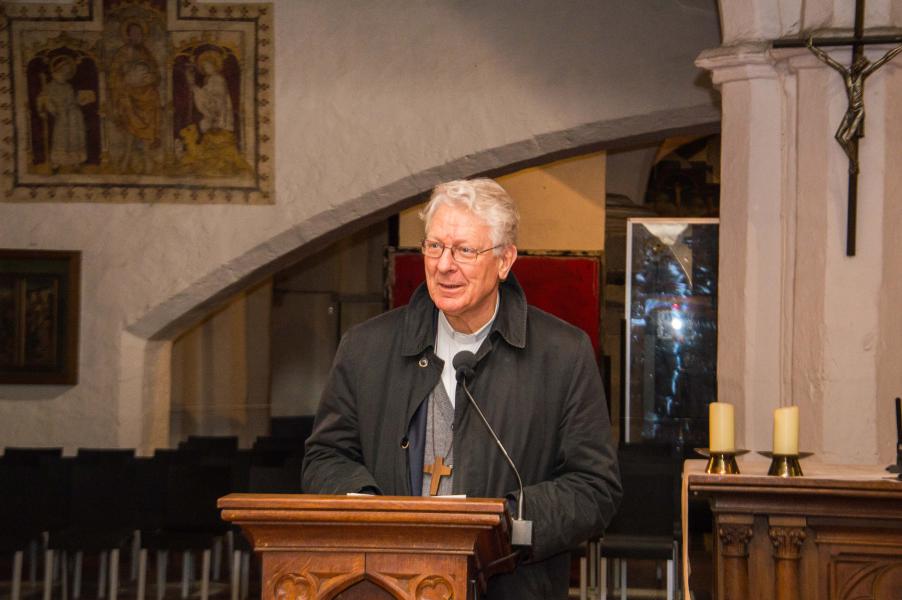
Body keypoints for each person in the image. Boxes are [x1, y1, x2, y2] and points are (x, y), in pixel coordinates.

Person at [302, 178, 622, 599]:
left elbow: (595, 487)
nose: (444, 265)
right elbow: (325, 458)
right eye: (434, 247)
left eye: (464, 250)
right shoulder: (366, 348)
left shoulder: (562, 354)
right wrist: (371, 511)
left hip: (511, 585)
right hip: (383, 584)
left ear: (505, 260)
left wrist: (506, 524)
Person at [108, 21, 161, 173]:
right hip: (128, 95)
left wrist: (150, 78)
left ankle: (146, 157)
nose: (137, 36)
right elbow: (113, 77)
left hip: (147, 96)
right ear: (128, 35)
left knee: (149, 122)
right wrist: (127, 80)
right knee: (129, 123)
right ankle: (127, 156)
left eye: (139, 33)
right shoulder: (122, 53)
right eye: (133, 33)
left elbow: (156, 74)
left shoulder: (146, 53)